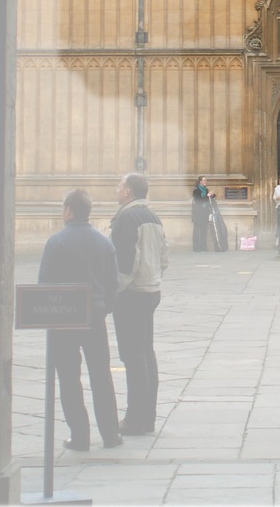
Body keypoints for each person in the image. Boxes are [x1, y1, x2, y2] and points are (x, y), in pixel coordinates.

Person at [37, 189, 123, 450]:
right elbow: (113, 282)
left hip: (64, 317)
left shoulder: (56, 242)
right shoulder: (103, 242)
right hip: (95, 315)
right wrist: (105, 307)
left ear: (68, 210)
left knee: (68, 376)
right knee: (101, 375)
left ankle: (80, 436)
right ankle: (110, 434)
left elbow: (44, 283)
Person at [110, 173, 169, 436]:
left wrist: (115, 291)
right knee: (146, 353)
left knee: (133, 356)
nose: (117, 189)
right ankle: (148, 417)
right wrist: (153, 277)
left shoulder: (126, 217)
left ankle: (135, 418)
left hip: (131, 294)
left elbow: (125, 261)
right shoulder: (153, 217)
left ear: (128, 191)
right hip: (151, 290)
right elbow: (164, 256)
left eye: (120, 186)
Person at [191, 176, 210, 252]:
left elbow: (208, 200)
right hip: (198, 213)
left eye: (206, 180)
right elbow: (199, 200)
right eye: (204, 180)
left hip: (205, 213)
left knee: (204, 230)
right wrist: (207, 196)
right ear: (200, 182)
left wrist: (212, 195)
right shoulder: (196, 191)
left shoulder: (206, 190)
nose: (206, 181)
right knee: (196, 230)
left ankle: (203, 247)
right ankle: (196, 247)